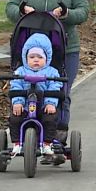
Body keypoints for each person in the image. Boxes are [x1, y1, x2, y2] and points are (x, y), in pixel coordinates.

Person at [6, 0, 89, 149]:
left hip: (64, 48)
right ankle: (24, 130)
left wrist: (66, 13)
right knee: (24, 89)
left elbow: (83, 12)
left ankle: (58, 137)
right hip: (29, 50)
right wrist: (22, 10)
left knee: (60, 92)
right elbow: (10, 8)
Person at [8, 33, 62, 163]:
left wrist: (50, 103)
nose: (36, 60)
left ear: (47, 58)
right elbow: (15, 86)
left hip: (44, 106)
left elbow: (55, 87)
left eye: (39, 57)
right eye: (32, 57)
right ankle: (17, 143)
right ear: (26, 58)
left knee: (50, 119)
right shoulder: (20, 72)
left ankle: (47, 143)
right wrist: (18, 102)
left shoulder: (52, 72)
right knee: (15, 118)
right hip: (25, 106)